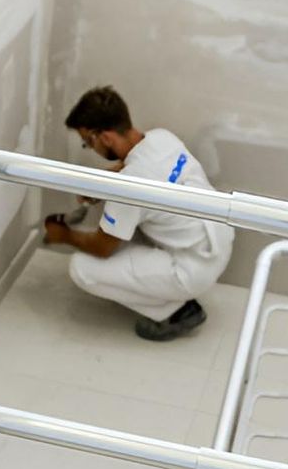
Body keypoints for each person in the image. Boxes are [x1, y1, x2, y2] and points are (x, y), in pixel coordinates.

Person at [43, 86, 232, 341]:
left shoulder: (130, 188)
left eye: (88, 142)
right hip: (217, 239)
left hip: (191, 269)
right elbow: (132, 164)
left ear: (105, 137)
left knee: (82, 268)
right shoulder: (161, 137)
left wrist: (63, 235)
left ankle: (179, 311)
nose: (90, 147)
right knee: (127, 226)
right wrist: (101, 184)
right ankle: (168, 291)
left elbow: (102, 247)